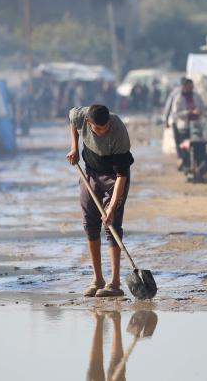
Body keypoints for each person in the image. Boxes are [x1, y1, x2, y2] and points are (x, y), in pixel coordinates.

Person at [67, 104, 134, 297]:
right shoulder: (81, 116)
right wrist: (74, 148)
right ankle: (98, 279)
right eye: (98, 129)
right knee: (90, 224)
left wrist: (112, 208)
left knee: (111, 225)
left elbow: (122, 175)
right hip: (90, 173)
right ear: (88, 123)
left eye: (106, 128)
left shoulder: (118, 130)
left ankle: (114, 283)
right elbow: (72, 120)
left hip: (114, 177)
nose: (103, 132)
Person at [170, 78, 204, 171]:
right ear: (184, 87)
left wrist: (198, 112)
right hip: (184, 127)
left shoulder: (196, 96)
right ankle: (187, 167)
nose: (191, 88)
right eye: (189, 86)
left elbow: (202, 107)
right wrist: (189, 112)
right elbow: (176, 113)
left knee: (198, 147)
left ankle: (198, 167)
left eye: (192, 87)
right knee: (185, 148)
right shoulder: (178, 98)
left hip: (196, 126)